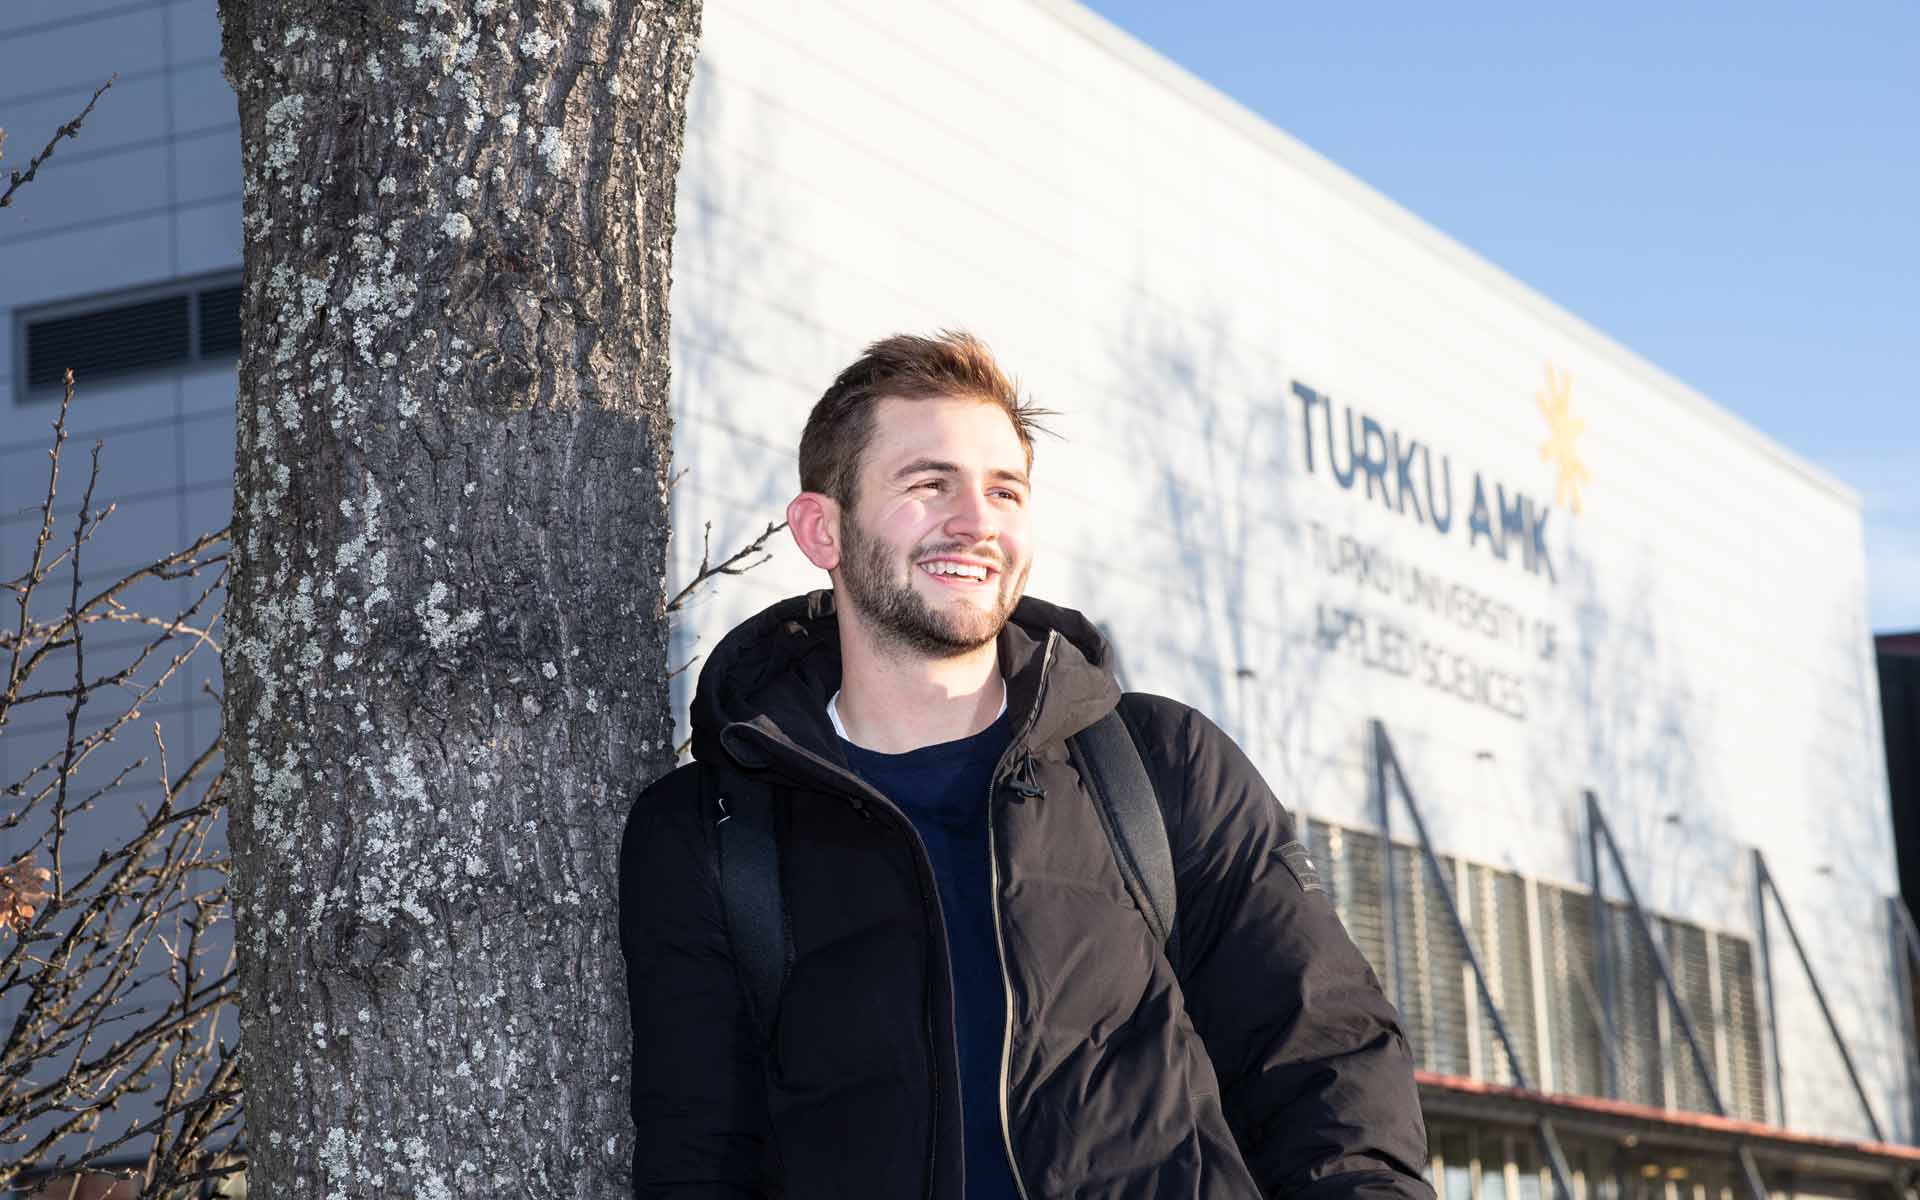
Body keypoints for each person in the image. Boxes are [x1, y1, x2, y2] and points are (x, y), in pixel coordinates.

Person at [620, 331, 1432, 1199]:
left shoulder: (1162, 767)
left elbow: (1328, 1062)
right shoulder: (712, 832)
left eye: (1004, 490)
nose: (978, 521)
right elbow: (699, 1157)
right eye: (929, 484)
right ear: (823, 528)